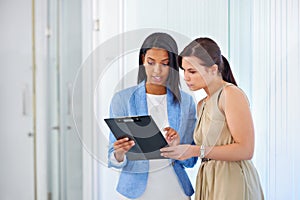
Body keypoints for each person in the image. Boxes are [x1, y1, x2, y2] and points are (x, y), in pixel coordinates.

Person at [160, 37, 264, 200]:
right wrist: (179, 145)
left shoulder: (230, 94)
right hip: (208, 178)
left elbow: (246, 150)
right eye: (184, 70)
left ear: (213, 69)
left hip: (231, 179)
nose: (186, 77)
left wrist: (195, 150)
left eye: (192, 71)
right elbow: (207, 147)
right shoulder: (202, 104)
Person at [107, 32, 197, 200]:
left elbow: (190, 161)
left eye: (164, 64)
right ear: (143, 60)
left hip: (174, 189)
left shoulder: (186, 103)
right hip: (134, 191)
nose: (157, 70)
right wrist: (120, 153)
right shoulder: (122, 99)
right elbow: (112, 156)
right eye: (151, 62)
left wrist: (178, 148)